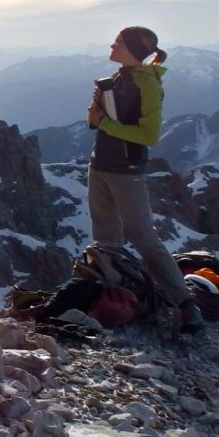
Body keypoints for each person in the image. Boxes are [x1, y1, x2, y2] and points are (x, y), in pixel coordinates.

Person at [86, 26, 204, 333]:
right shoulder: (114, 80)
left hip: (126, 170)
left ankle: (185, 303)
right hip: (100, 164)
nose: (112, 44)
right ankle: (115, 301)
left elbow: (148, 136)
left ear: (133, 49)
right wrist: (96, 112)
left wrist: (105, 122)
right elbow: (96, 125)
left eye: (119, 42)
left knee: (143, 236)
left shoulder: (147, 84)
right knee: (105, 236)